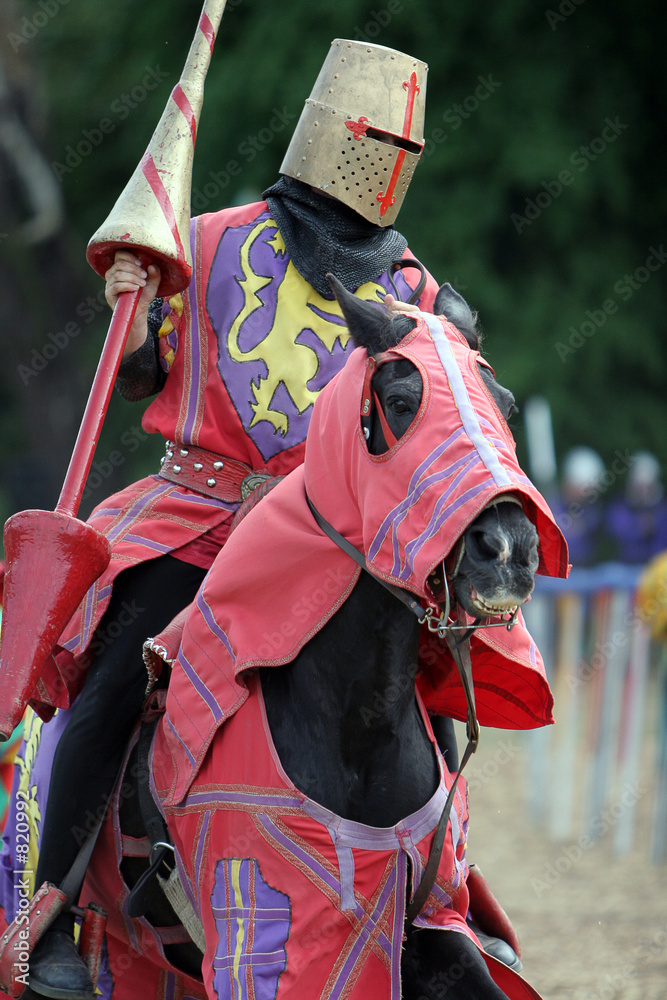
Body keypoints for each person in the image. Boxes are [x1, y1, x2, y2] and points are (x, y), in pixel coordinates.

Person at [25, 39, 439, 1000]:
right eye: (375, 140)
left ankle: (437, 901)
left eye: (402, 148)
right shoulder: (205, 240)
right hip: (195, 515)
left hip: (323, 540)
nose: (385, 161)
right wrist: (131, 306)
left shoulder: (413, 288)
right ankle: (50, 915)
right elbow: (139, 375)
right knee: (114, 680)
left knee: (418, 686)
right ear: (334, 133)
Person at [606, 451, 667, 564]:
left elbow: (660, 549)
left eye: (647, 487)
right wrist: (637, 529)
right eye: (639, 487)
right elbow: (617, 533)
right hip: (625, 566)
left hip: (655, 567)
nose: (643, 492)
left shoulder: (662, 511)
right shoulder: (620, 508)